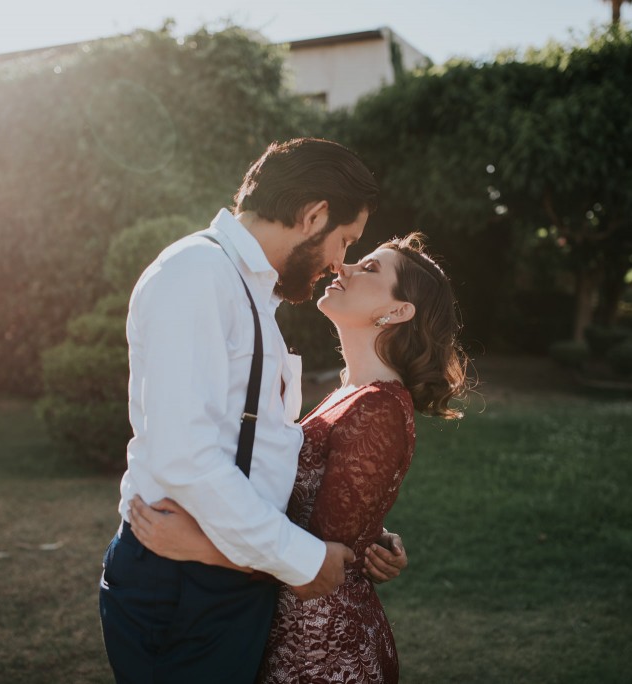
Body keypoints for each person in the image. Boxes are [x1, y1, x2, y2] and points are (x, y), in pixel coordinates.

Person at [98, 138, 408, 684]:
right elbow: (186, 459)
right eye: (345, 239)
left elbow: (260, 447)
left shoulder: (247, 288)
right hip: (184, 583)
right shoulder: (197, 275)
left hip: (223, 567)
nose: (340, 262)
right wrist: (301, 558)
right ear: (313, 215)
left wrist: (362, 537)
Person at [128, 233, 468, 683]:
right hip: (289, 631)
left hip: (321, 654)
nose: (342, 267)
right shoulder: (351, 394)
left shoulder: (380, 408)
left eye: (369, 269)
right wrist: (372, 535)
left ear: (398, 311)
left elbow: (323, 561)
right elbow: (321, 518)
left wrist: (199, 548)